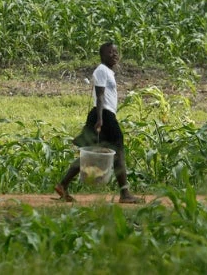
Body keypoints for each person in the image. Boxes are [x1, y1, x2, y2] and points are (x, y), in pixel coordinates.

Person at [54, 42, 144, 204]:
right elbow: (100, 95)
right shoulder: (102, 71)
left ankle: (63, 184)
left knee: (91, 153)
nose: (115, 55)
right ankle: (125, 194)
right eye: (110, 53)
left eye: (116, 52)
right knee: (119, 152)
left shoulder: (108, 71)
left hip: (103, 114)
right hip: (105, 114)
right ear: (102, 55)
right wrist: (101, 119)